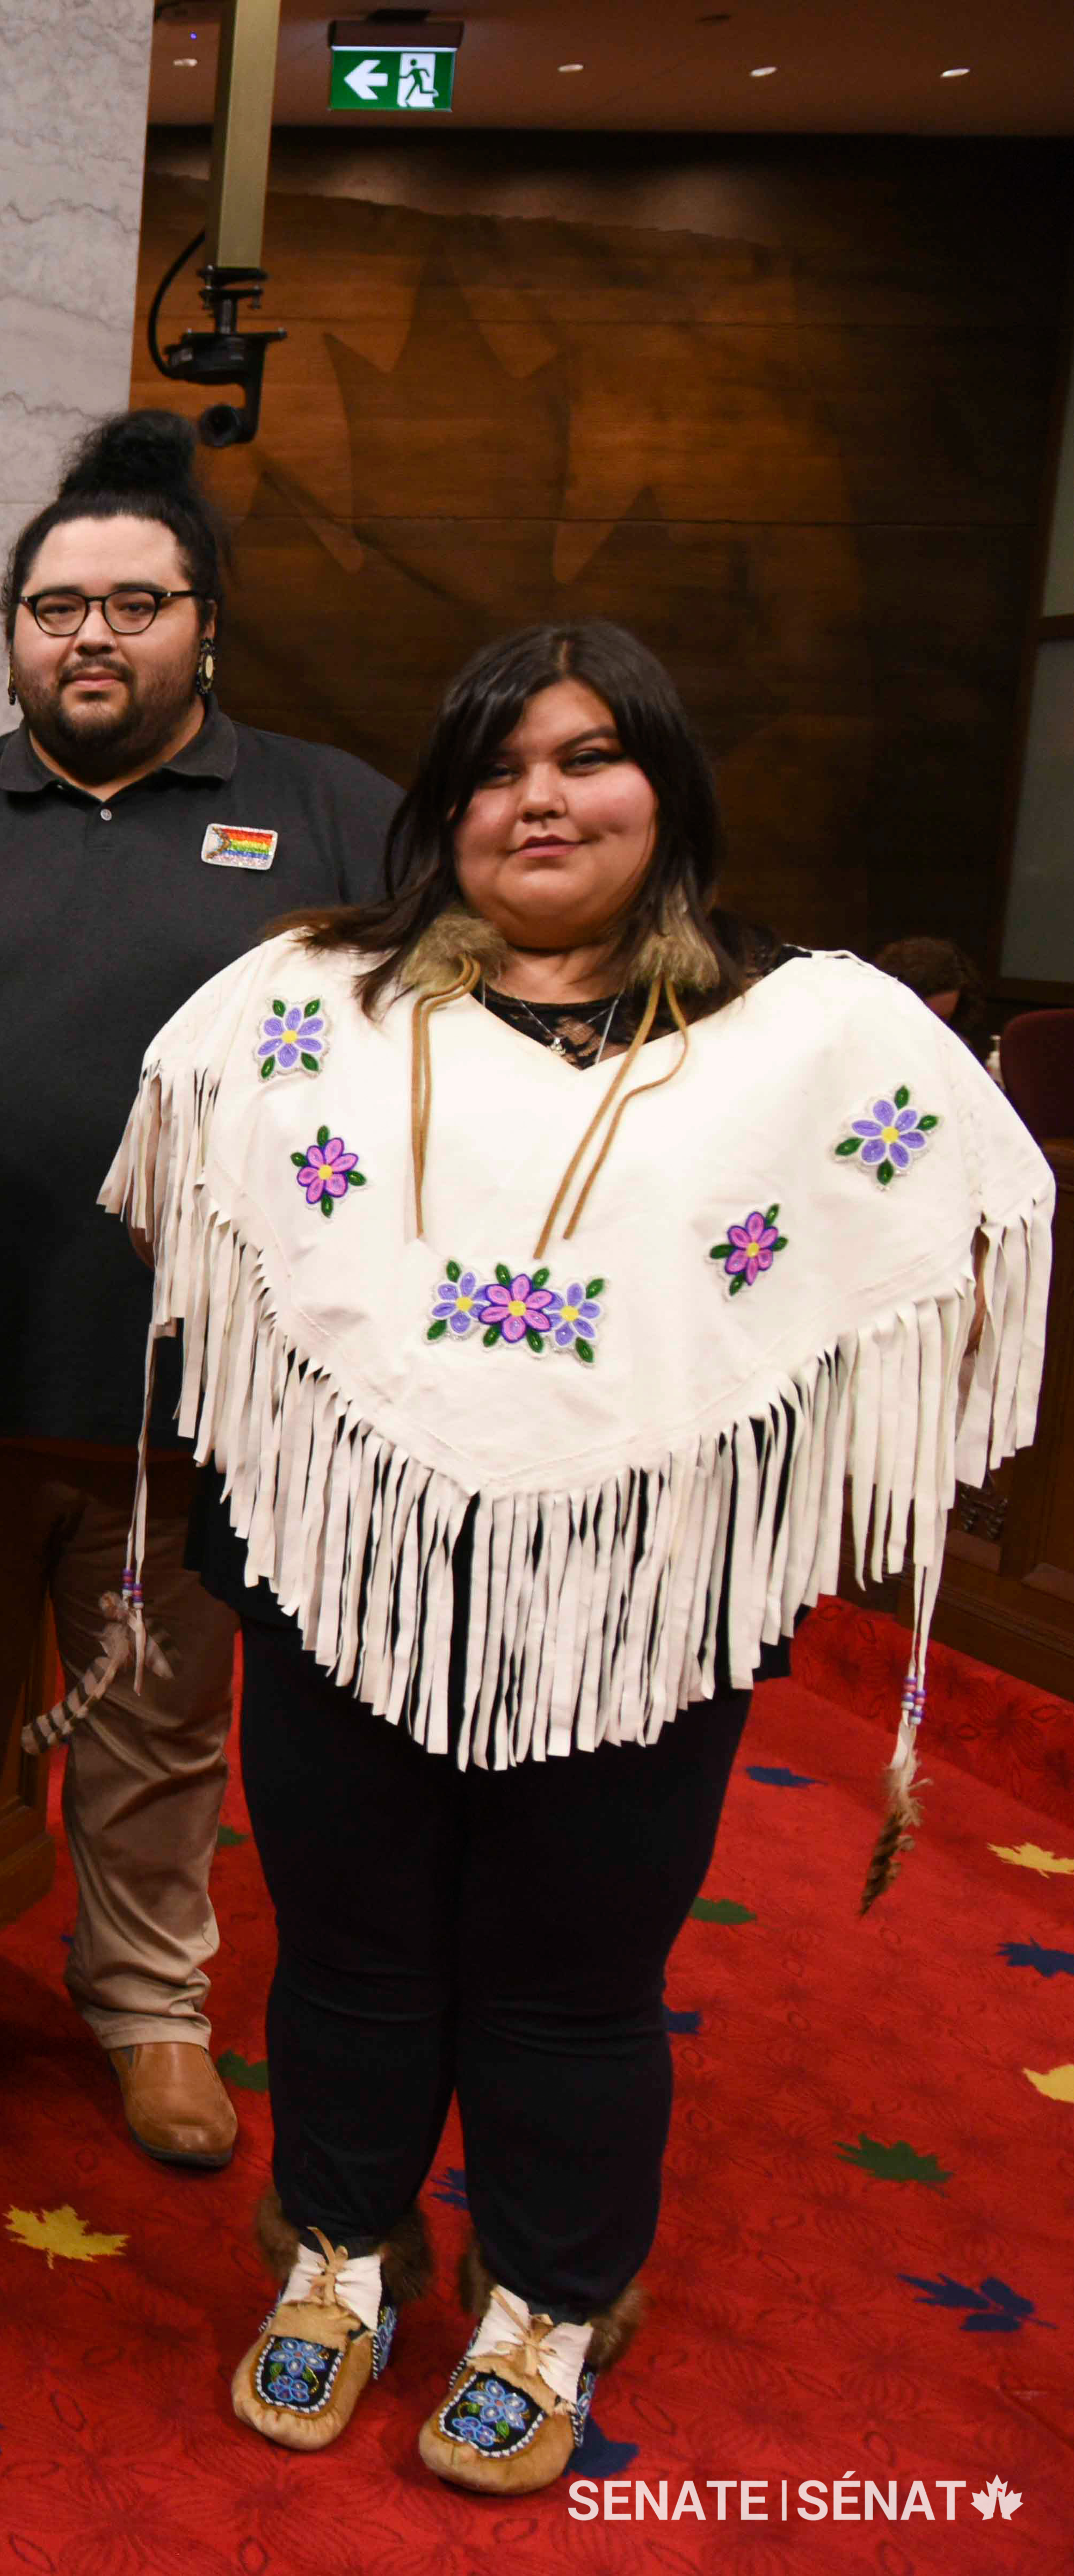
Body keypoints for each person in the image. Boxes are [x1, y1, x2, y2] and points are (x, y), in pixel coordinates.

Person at [114, 621, 1048, 2491]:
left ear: (664, 789)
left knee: (572, 1974)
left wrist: (747, 1451)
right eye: (492, 765)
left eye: (585, 756)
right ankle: (338, 2255)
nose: (537, 796)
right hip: (346, 1571)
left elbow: (959, 1214)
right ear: (442, 809)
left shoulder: (805, 1034)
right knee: (356, 1953)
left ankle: (548, 2294)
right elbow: (201, 1216)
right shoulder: (314, 1007)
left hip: (643, 1599)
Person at [0, 409, 396, 2170]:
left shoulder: (330, 818)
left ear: (204, 622)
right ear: (12, 633)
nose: (91, 636)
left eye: (134, 603)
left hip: (187, 1407)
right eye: (55, 607)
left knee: (158, 1729)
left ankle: (147, 2007)